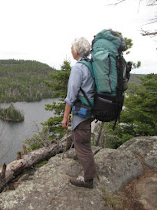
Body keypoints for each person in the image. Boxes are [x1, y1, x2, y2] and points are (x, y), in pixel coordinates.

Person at [62, 37, 97, 189]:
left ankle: (88, 180)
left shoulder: (78, 68)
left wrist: (65, 118)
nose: (71, 49)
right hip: (89, 110)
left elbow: (71, 97)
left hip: (82, 112)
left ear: (77, 50)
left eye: (72, 47)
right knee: (83, 139)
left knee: (82, 143)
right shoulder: (90, 65)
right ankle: (80, 155)